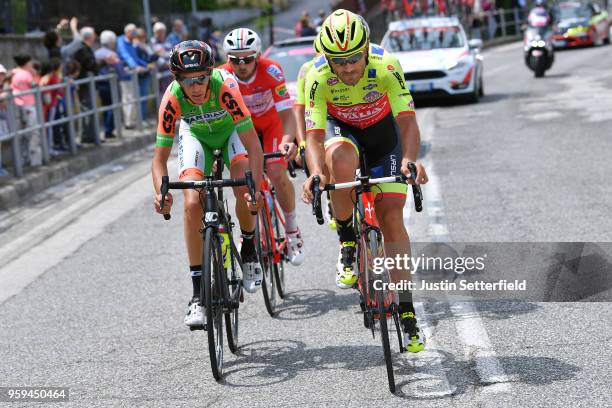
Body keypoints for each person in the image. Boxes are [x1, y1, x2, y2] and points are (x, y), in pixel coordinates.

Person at [301, 9, 428, 353]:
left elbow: (407, 121)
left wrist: (409, 160)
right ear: (326, 57)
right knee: (338, 160)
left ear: (367, 48)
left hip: (384, 135)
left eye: (354, 58)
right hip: (343, 133)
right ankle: (346, 240)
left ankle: (406, 310)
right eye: (338, 61)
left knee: (391, 218)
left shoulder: (386, 65)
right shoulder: (317, 76)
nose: (347, 69)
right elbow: (313, 136)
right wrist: (315, 173)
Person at [151, 41, 265, 327]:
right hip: (196, 137)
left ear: (210, 73)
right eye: (188, 80)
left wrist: (256, 189)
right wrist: (160, 193)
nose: (196, 86)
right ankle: (198, 295)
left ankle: (249, 247)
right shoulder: (173, 97)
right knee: (191, 204)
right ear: (177, 80)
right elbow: (158, 160)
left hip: (231, 135)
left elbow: (254, 146)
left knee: (242, 185)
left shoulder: (225, 87)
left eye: (202, 77)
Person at [220, 28, 305, 266]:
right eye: (236, 60)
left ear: (257, 56)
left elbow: (287, 113)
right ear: (228, 59)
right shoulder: (221, 76)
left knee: (276, 171)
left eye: (247, 58)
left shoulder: (271, 71)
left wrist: (289, 140)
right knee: (244, 181)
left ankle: (291, 229)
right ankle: (248, 235)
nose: (242, 64)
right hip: (241, 131)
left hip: (270, 126)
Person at [11, 54, 42, 167]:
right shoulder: (26, 74)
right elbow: (36, 85)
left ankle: (22, 161)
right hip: (28, 105)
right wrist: (34, 74)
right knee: (34, 133)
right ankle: (35, 161)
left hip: (16, 105)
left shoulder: (13, 72)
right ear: (27, 63)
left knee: (21, 135)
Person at [70, 26, 99, 144]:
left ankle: (91, 135)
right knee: (86, 109)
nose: (95, 36)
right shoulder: (81, 49)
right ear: (89, 37)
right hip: (84, 83)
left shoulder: (84, 48)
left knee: (90, 109)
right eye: (93, 34)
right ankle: (86, 136)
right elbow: (90, 64)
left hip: (88, 83)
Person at [95, 30, 126, 139]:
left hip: (100, 84)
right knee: (112, 107)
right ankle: (109, 131)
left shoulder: (96, 53)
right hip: (111, 84)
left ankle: (107, 129)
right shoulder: (112, 54)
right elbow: (120, 70)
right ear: (111, 42)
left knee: (105, 106)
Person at [117, 23, 149, 129]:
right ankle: (128, 123)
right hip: (125, 74)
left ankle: (133, 121)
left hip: (132, 75)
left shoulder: (131, 42)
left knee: (133, 98)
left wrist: (146, 65)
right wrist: (136, 67)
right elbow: (125, 55)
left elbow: (135, 57)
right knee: (128, 99)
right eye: (133, 31)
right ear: (128, 32)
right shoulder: (121, 41)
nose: (135, 33)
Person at [150, 22, 173, 93]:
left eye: (162, 32)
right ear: (155, 32)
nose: (161, 34)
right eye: (158, 32)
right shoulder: (152, 42)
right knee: (162, 95)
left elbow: (171, 53)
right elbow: (154, 56)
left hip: (170, 73)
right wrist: (166, 63)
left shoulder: (168, 42)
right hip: (160, 74)